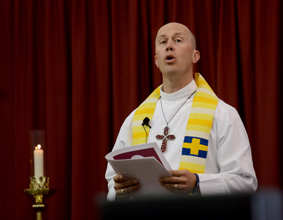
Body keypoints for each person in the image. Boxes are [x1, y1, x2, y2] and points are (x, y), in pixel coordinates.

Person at [105, 22, 257, 200]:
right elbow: (112, 181)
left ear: (195, 56)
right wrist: (120, 190)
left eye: (177, 40)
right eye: (162, 42)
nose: (169, 45)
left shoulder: (222, 114)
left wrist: (198, 183)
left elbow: (245, 182)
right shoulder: (136, 118)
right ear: (156, 60)